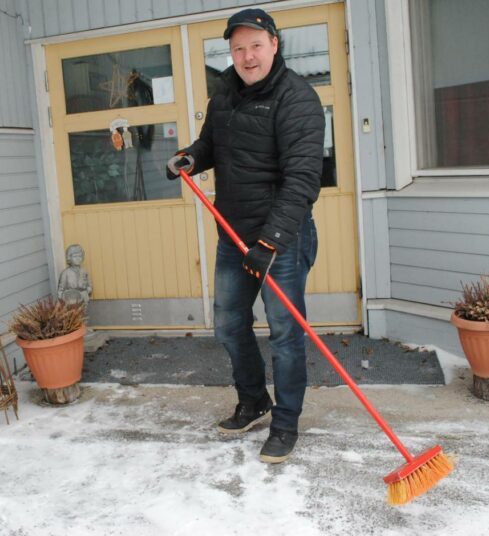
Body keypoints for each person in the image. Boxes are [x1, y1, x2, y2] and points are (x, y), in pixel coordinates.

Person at [166, 8, 324, 463]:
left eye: (255, 45)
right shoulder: (225, 98)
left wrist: (270, 241)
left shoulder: (297, 99)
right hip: (233, 235)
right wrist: (191, 159)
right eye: (238, 48)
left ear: (274, 44)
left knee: (284, 334)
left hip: (281, 241)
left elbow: (301, 181)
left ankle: (286, 422)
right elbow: (210, 145)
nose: (247, 56)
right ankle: (254, 400)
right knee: (229, 323)